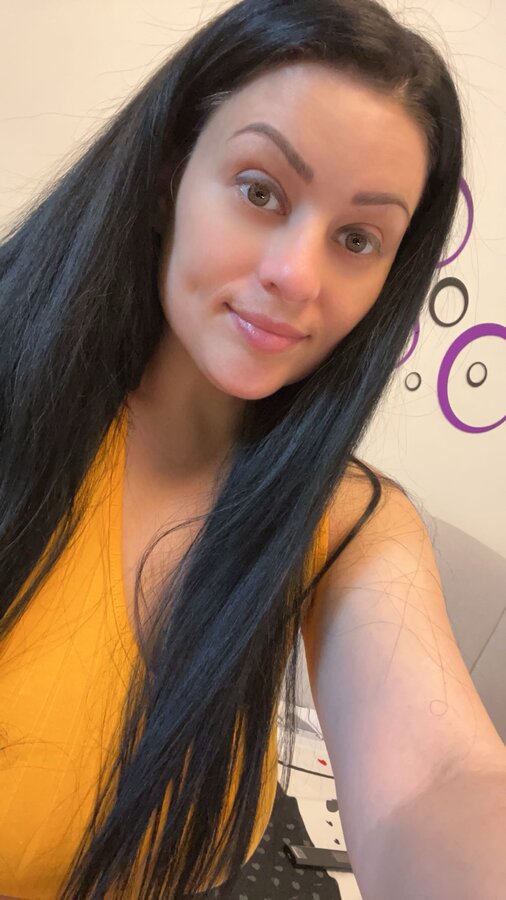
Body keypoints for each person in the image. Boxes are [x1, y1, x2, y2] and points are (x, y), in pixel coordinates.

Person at [0, 0, 504, 897]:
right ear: (170, 171)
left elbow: (434, 781)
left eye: (357, 239)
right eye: (261, 190)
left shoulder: (347, 522)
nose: (297, 275)